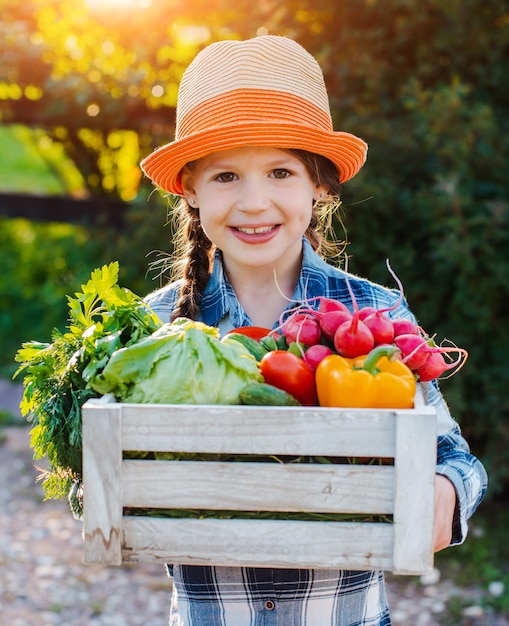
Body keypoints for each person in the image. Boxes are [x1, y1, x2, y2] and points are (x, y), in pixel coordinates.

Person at [140, 35, 487, 626]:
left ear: (319, 185)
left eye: (280, 171)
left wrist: (444, 491)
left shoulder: (376, 318)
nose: (254, 202)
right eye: (225, 176)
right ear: (191, 190)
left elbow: (456, 456)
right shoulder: (159, 325)